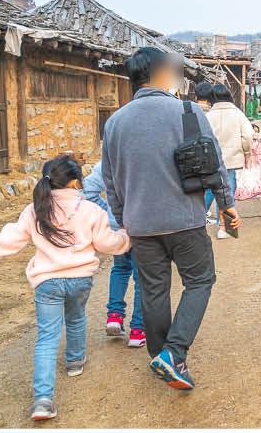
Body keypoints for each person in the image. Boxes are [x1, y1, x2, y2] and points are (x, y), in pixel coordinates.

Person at [101, 46, 238, 392]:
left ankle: (161, 354)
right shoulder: (189, 111)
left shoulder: (114, 123)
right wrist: (226, 204)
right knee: (200, 280)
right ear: (161, 74)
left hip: (141, 226)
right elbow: (214, 163)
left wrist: (124, 220)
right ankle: (174, 354)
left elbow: (111, 180)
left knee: (153, 291)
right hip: (186, 219)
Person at [0, 153, 130, 421]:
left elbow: (12, 236)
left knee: (46, 338)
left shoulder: (35, 209)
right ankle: (74, 361)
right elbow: (108, 244)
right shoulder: (91, 210)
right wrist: (126, 237)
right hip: (80, 279)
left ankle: (43, 400)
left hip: (46, 282)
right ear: (75, 182)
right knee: (76, 318)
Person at [83, 160, 144, 347]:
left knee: (120, 269)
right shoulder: (142, 160)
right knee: (142, 277)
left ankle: (114, 316)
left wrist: (107, 213)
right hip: (143, 227)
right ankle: (137, 330)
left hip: (118, 228)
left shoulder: (107, 163)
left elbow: (88, 192)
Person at [207, 83, 254, 239]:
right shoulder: (238, 114)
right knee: (228, 190)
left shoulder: (208, 115)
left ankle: (199, 223)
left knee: (208, 190)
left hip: (211, 160)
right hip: (232, 159)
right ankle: (224, 227)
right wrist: (247, 153)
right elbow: (248, 135)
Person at [194, 81, 222, 230]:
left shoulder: (187, 109)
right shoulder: (211, 113)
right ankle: (201, 215)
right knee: (210, 186)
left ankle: (200, 215)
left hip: (192, 156)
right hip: (208, 156)